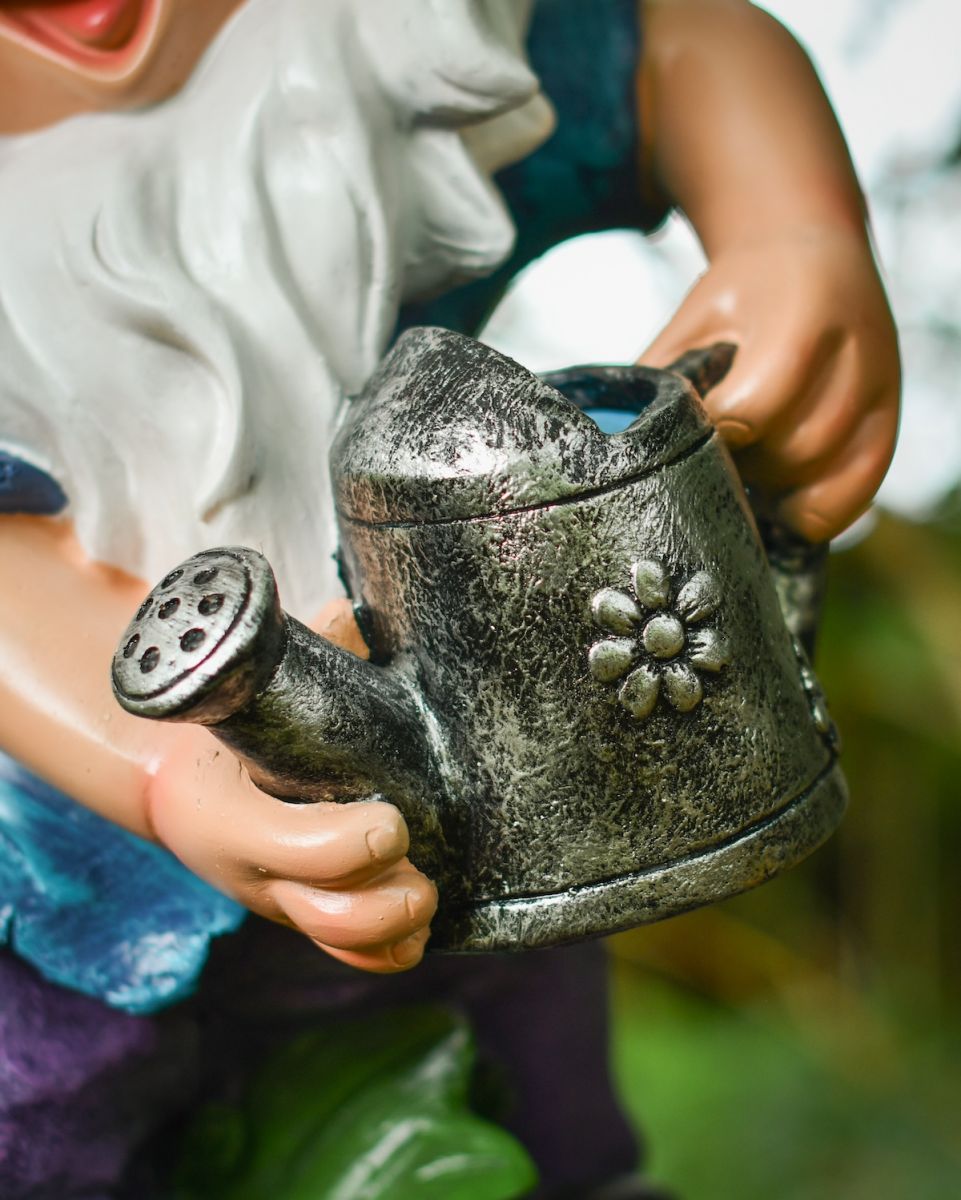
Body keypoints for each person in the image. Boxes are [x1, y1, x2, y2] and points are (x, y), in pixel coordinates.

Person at [0, 1, 899, 1196]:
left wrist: (792, 232)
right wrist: (160, 765)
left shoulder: (358, 68)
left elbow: (679, 45)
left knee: (544, 1115)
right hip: (63, 919)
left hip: (482, 791)